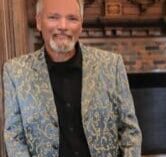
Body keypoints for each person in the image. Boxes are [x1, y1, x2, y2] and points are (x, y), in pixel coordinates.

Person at [3, 0, 142, 156]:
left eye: (72, 18)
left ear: (81, 24)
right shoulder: (16, 71)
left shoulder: (111, 65)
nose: (63, 26)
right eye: (53, 17)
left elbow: (130, 131)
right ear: (38, 22)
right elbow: (14, 137)